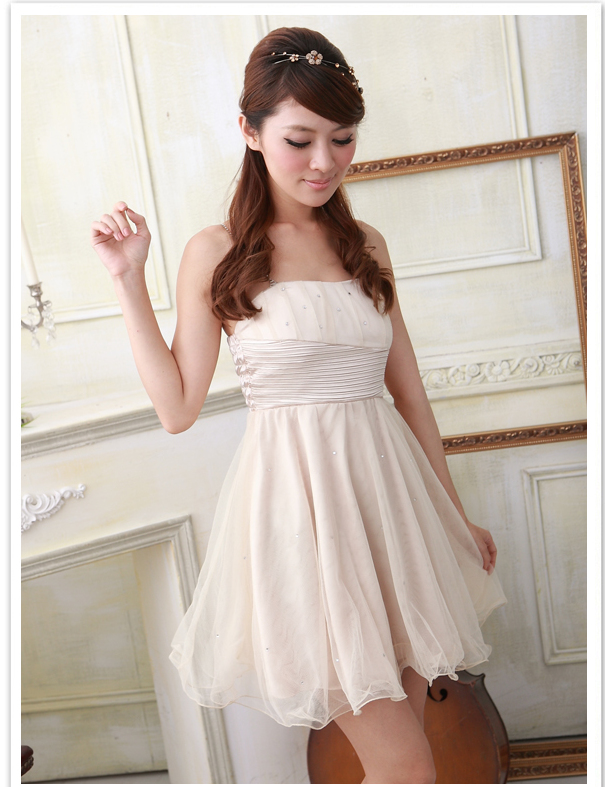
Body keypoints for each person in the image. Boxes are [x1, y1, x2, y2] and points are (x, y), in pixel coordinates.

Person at [91, 26, 507, 786]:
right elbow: (178, 407)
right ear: (249, 132)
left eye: (342, 139)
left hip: (396, 519)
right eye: (299, 140)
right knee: (407, 764)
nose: (324, 162)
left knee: (406, 749)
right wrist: (127, 281)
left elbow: (410, 396)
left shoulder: (366, 244)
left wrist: (453, 515)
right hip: (303, 527)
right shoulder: (215, 250)